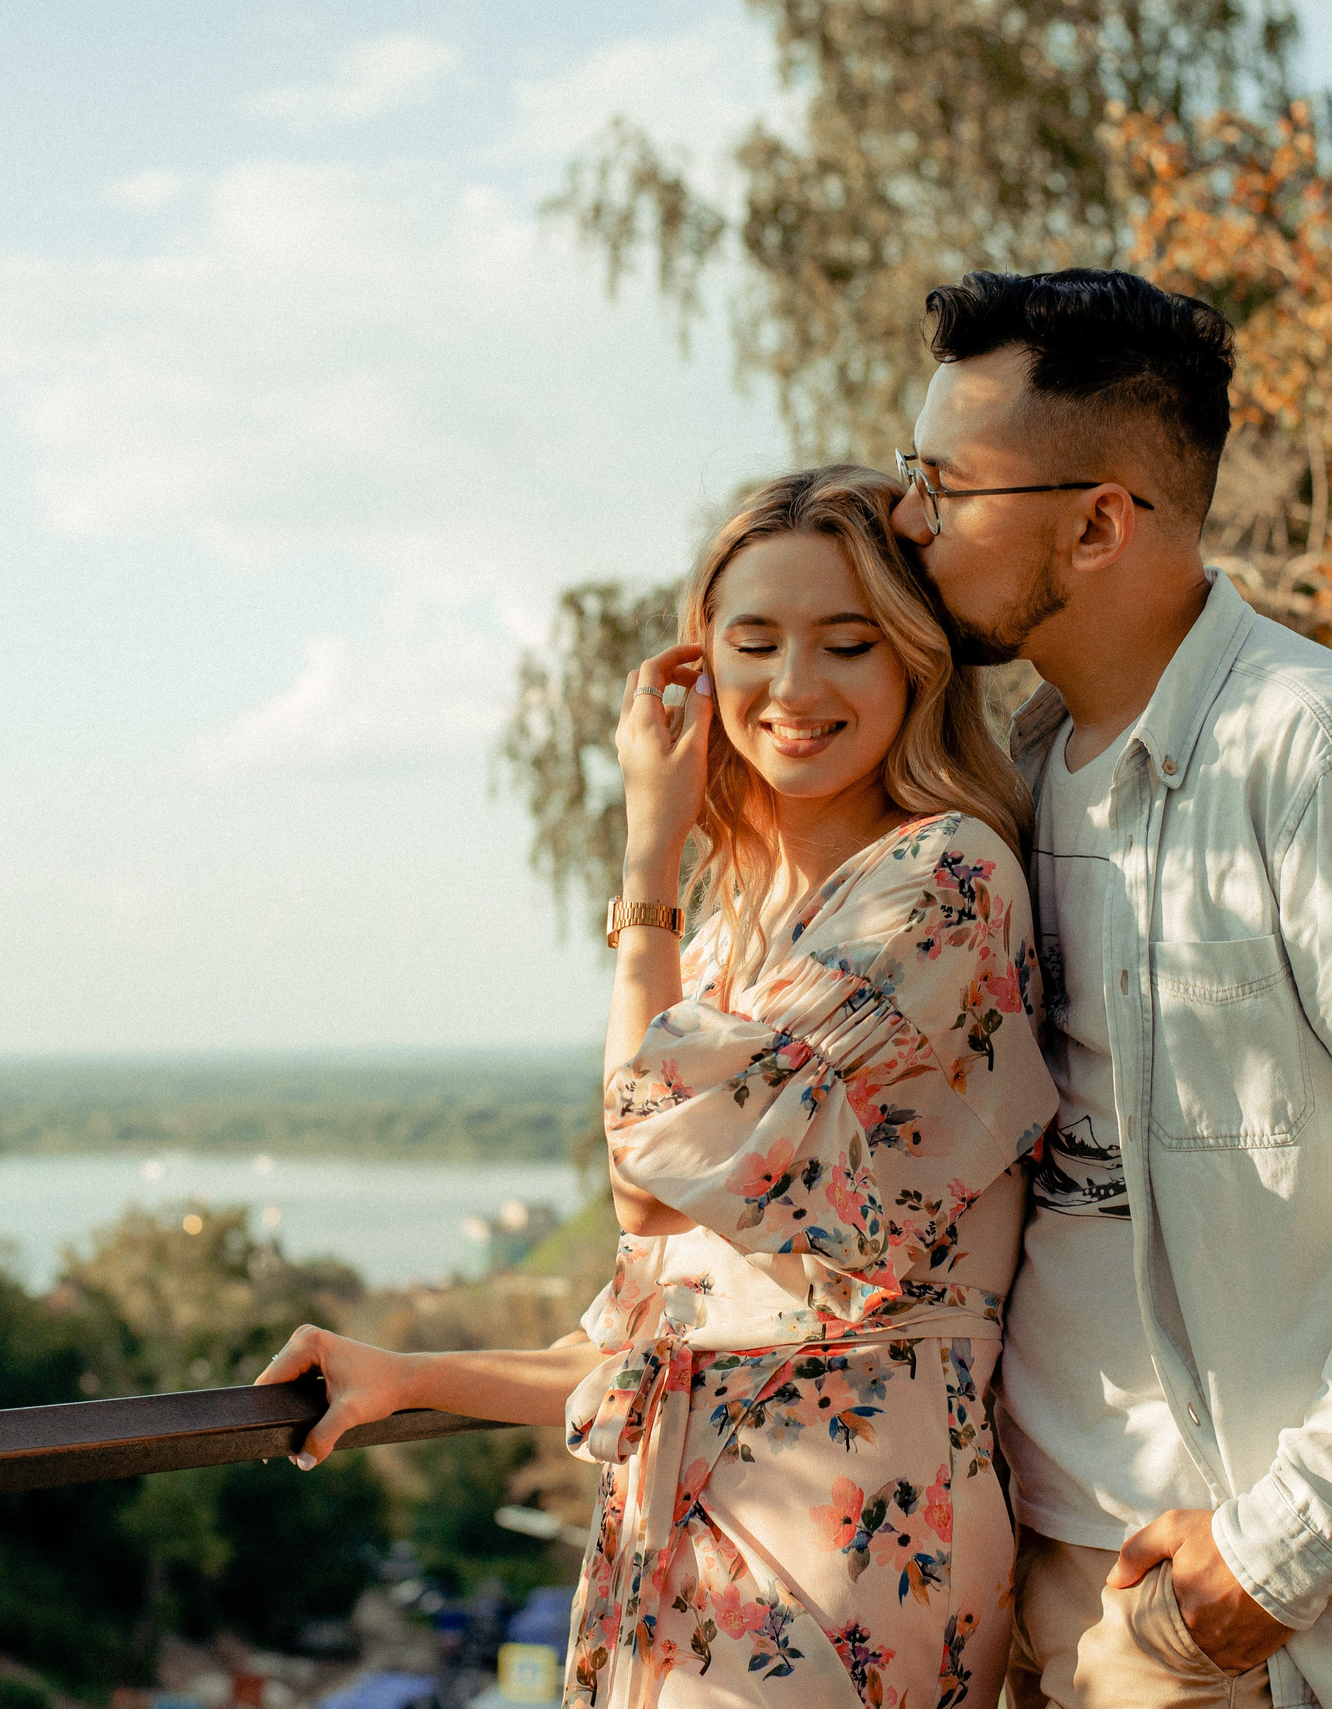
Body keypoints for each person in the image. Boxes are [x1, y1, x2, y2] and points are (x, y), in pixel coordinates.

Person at [890, 267, 1332, 1709]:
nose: (911, 522)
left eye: (946, 487)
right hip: (998, 1558)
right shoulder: (1008, 775)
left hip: (1188, 1596)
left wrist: (1274, 1562)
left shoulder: (1327, 764)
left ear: (1096, 522)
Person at [258, 465, 1059, 1709]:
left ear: (914, 661)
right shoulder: (746, 945)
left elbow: (648, 1180)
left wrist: (647, 859)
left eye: (846, 642)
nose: (793, 688)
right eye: (754, 643)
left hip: (840, 1546)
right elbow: (656, 1332)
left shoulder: (940, 883)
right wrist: (407, 1375)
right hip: (677, 1546)